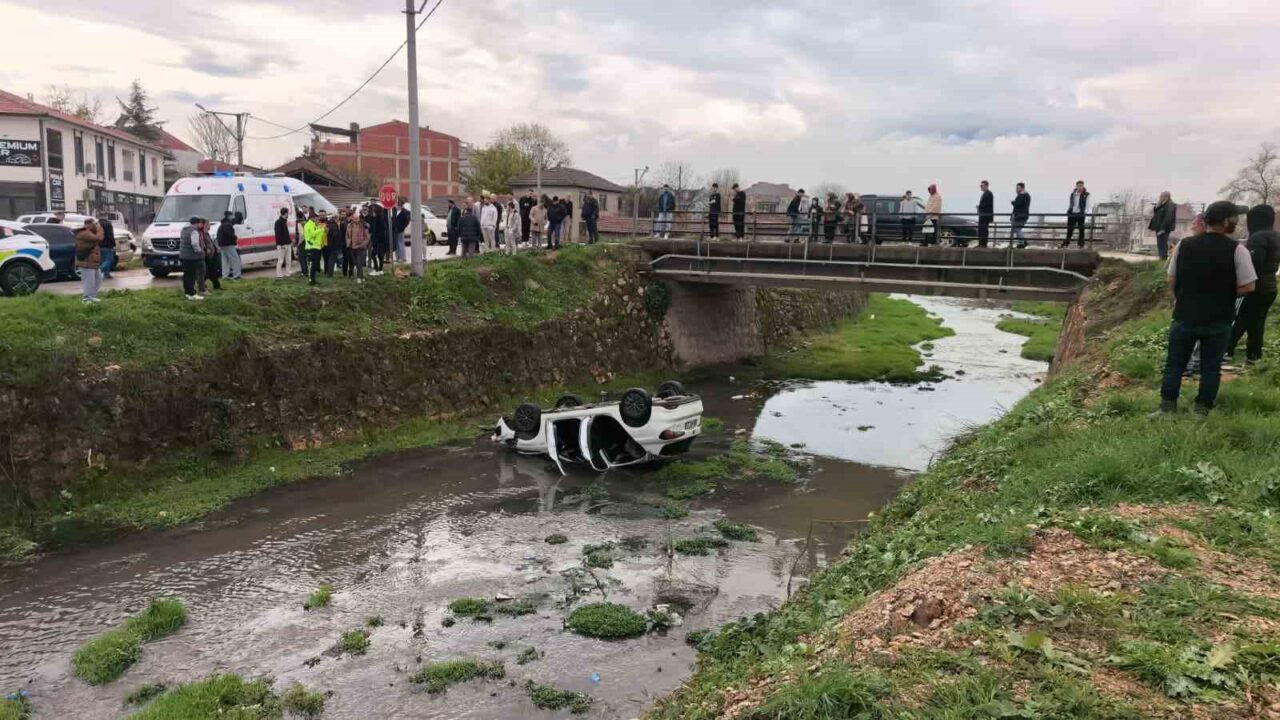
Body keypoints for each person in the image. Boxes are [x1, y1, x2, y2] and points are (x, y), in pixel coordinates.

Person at [1154, 201, 1257, 418]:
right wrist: (1226, 293)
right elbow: (1249, 285)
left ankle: (1167, 407)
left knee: (1175, 363)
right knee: (1211, 366)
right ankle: (1201, 408)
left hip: (1185, 315)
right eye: (1234, 218)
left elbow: (1171, 278)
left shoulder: (1184, 245)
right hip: (1218, 318)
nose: (1236, 222)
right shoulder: (1237, 250)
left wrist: (1180, 298)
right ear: (1226, 221)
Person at [1228, 204, 1280, 363]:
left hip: (1255, 285)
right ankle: (1254, 354)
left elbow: (1253, 262)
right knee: (1257, 321)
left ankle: (1225, 349)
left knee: (1240, 318)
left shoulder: (1258, 237)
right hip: (1270, 285)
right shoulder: (1276, 236)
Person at [74, 217, 103, 304]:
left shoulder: (89, 232)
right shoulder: (84, 233)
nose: (95, 226)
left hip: (92, 261)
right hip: (86, 261)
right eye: (94, 225)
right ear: (89, 225)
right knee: (89, 281)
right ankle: (86, 298)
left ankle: (92, 296)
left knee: (98, 278)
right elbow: (99, 238)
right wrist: (99, 228)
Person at [179, 216, 205, 300]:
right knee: (192, 275)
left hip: (183, 255)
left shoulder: (184, 230)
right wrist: (200, 251)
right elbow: (194, 244)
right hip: (192, 257)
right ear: (197, 223)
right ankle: (192, 293)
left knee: (186, 275)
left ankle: (187, 292)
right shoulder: (194, 231)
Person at [1149, 191, 1177, 260]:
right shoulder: (1163, 204)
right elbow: (1156, 212)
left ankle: (1163, 258)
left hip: (1164, 228)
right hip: (1159, 227)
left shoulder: (1170, 204)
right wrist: (1157, 205)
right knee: (1160, 243)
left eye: (1161, 196)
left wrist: (1163, 228)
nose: (1160, 198)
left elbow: (1168, 217)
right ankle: (1161, 258)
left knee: (1163, 243)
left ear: (1166, 197)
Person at [303, 210, 328, 285]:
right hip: (311, 247)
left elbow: (318, 236)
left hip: (317, 247)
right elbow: (312, 235)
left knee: (315, 264)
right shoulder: (308, 225)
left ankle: (313, 279)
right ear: (312, 218)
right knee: (312, 265)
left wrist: (324, 231)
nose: (318, 220)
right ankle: (311, 280)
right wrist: (321, 230)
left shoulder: (314, 225)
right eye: (316, 219)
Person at [347, 207, 371, 283]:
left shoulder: (363, 226)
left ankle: (358, 278)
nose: (355, 219)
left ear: (359, 218)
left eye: (357, 218)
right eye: (354, 218)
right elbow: (347, 235)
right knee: (356, 263)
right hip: (352, 247)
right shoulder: (349, 225)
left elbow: (367, 238)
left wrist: (361, 245)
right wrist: (348, 243)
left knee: (359, 263)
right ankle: (362, 276)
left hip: (361, 247)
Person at [1063, 180, 1089, 248]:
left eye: (1081, 186)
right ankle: (1066, 244)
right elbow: (1070, 203)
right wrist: (1069, 210)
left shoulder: (1086, 194)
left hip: (1080, 213)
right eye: (1078, 186)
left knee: (1081, 229)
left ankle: (1081, 244)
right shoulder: (1073, 194)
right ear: (1076, 186)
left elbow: (1088, 204)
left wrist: (1084, 212)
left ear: (1083, 186)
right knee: (1070, 229)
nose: (1079, 187)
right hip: (1072, 213)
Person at [199, 217, 221, 293]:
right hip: (206, 257)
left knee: (213, 272)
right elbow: (203, 243)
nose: (210, 226)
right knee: (206, 273)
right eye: (208, 224)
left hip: (211, 256)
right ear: (204, 225)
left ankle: (217, 286)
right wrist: (206, 250)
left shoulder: (206, 233)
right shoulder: (201, 233)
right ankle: (202, 287)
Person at [216, 211, 241, 279]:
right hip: (228, 244)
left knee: (225, 261)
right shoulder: (227, 225)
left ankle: (225, 276)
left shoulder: (223, 224)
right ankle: (237, 275)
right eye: (232, 215)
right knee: (235, 259)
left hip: (222, 245)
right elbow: (229, 234)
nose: (233, 217)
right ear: (229, 216)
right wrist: (235, 237)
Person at [369, 205, 388, 275]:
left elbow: (380, 231)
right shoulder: (377, 219)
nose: (372, 213)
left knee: (373, 255)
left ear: (376, 212)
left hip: (379, 241)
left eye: (373, 211)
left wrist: (374, 236)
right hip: (379, 241)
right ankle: (380, 269)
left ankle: (377, 269)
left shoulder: (379, 219)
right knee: (380, 255)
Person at [1011, 183, 1031, 249]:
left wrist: (1014, 203)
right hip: (1020, 215)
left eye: (1018, 188)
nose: (1016, 189)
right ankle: (1023, 242)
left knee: (1017, 228)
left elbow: (1020, 204)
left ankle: (1021, 243)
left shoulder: (1024, 195)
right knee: (1016, 229)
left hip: (1021, 215)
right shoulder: (1024, 195)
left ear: (1022, 188)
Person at [274, 207, 292, 278]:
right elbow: (278, 234)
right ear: (285, 213)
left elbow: (286, 234)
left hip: (287, 244)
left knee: (288, 260)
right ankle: (279, 275)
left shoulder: (284, 221)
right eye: (287, 213)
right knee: (280, 260)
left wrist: (290, 241)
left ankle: (288, 273)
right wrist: (281, 244)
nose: (288, 214)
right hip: (282, 245)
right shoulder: (278, 222)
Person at [324, 210, 343, 277]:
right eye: (337, 217)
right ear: (335, 217)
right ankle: (330, 274)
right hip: (334, 245)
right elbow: (335, 235)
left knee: (330, 259)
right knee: (332, 260)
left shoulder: (328, 224)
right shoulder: (334, 225)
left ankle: (329, 273)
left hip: (328, 244)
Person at [338, 209, 356, 279]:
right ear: (350, 216)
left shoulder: (354, 223)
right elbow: (341, 235)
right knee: (346, 259)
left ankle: (351, 273)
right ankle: (345, 273)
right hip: (345, 244)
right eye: (352, 216)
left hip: (353, 244)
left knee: (352, 259)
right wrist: (343, 244)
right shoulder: (343, 224)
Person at [976, 180, 994, 248]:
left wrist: (980, 206)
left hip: (985, 216)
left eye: (982, 186)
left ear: (986, 186)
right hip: (983, 215)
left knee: (983, 230)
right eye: (980, 186)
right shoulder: (986, 193)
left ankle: (983, 244)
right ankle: (981, 243)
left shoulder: (989, 193)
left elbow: (988, 204)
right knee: (981, 229)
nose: (981, 187)